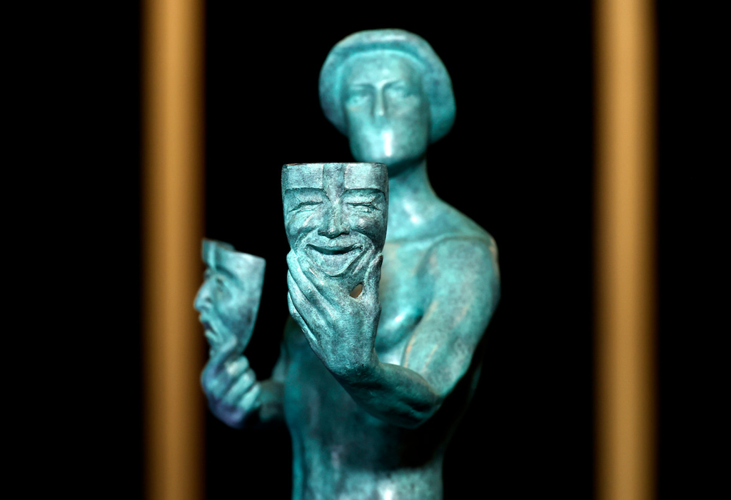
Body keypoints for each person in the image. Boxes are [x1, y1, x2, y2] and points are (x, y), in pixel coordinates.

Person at [201, 29, 500, 499]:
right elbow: (301, 390)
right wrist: (247, 400)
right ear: (343, 116)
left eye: (398, 91)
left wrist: (362, 370)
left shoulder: (460, 253)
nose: (379, 109)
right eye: (360, 94)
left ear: (430, 109)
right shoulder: (328, 241)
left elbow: (424, 399)